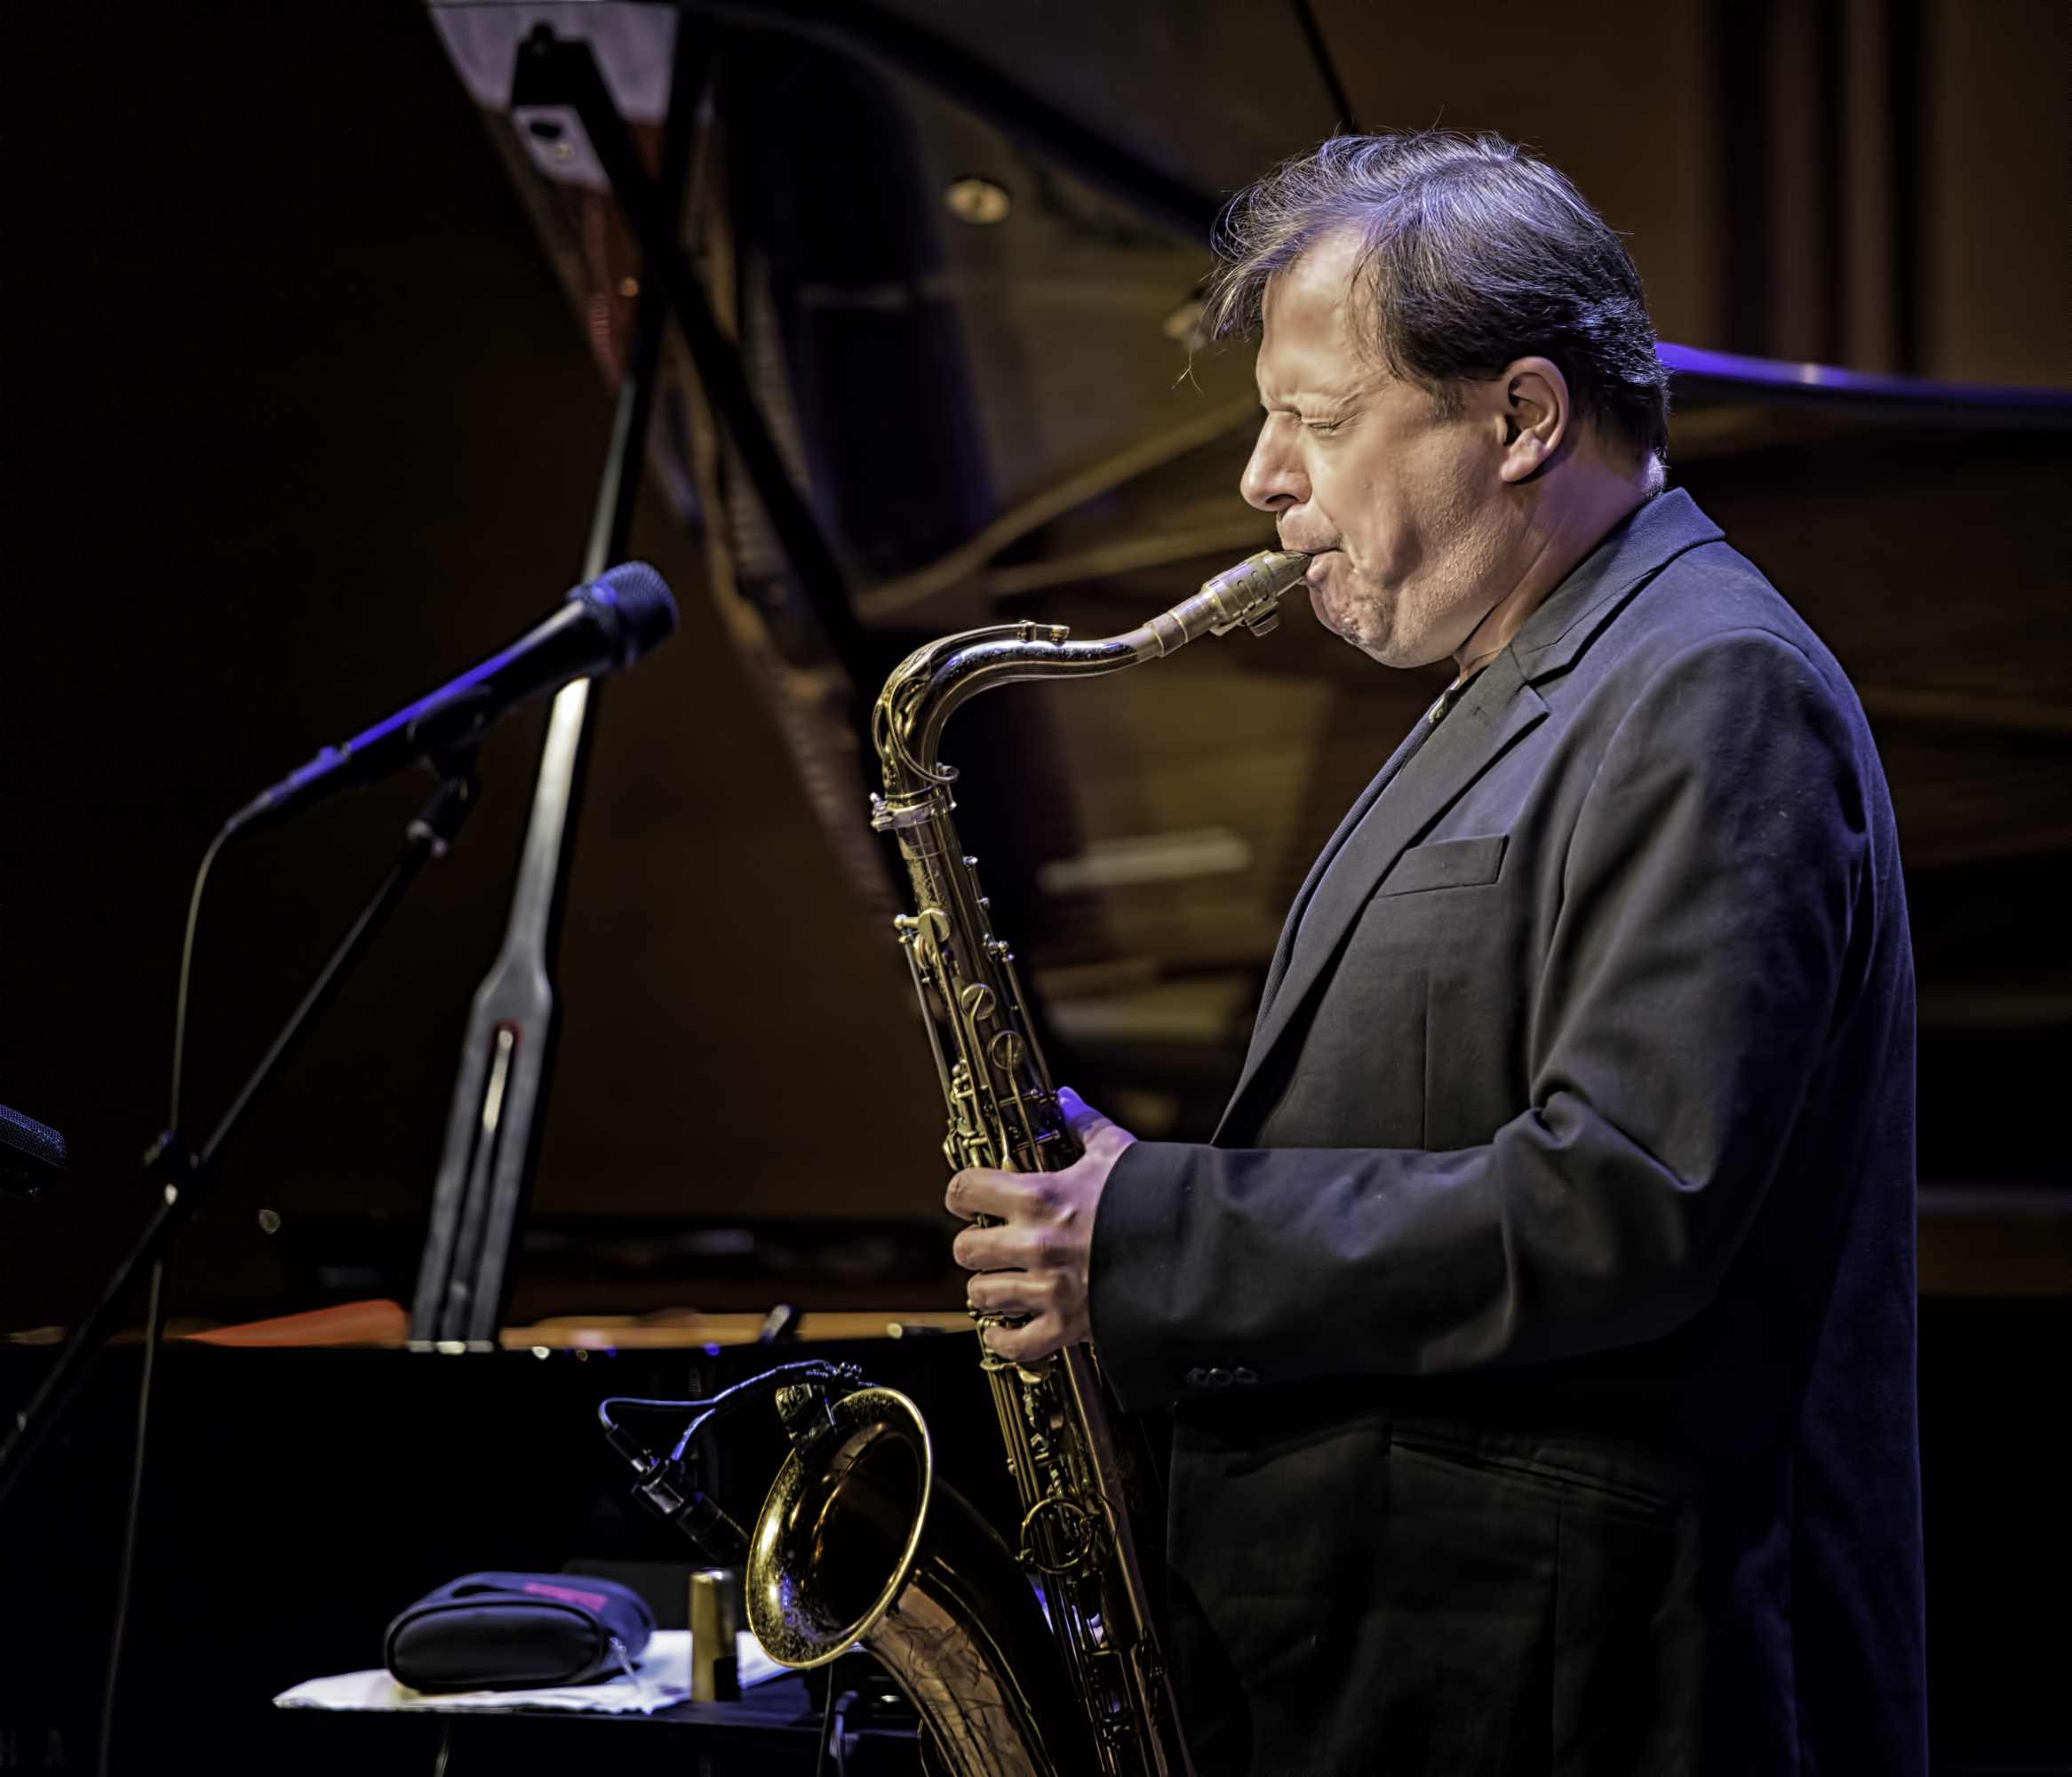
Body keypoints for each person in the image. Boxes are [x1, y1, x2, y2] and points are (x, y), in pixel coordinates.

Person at [946, 133, 1925, 1773]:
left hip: (1594, 1690)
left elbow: (1625, 1201)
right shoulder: (1528, 669)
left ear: (1523, 417)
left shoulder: (1707, 686)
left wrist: (1160, 1234)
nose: (1263, 479)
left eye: (1317, 420)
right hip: (1438, 1669)